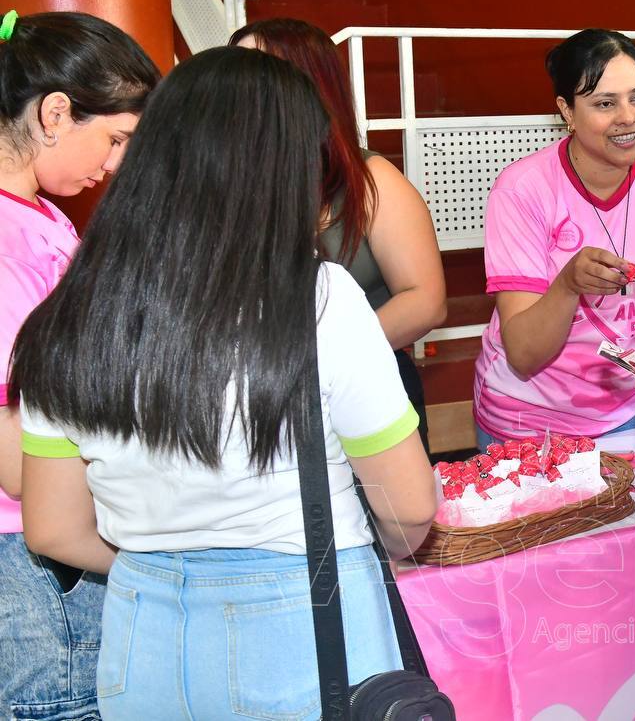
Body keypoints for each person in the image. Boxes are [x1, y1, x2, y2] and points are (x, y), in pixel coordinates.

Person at [12, 47, 436, 719]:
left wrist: (169, 561)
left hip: (141, 641)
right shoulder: (319, 297)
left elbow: (54, 528)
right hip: (307, 629)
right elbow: (410, 506)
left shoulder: (67, 312)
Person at [0, 9, 160, 720]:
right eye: (117, 137)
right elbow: (10, 442)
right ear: (56, 112)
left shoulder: (39, 215)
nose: (118, 162)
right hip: (33, 563)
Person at [472, 28, 635, 447]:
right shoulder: (523, 189)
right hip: (529, 425)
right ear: (566, 109)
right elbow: (525, 355)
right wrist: (568, 285)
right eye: (604, 104)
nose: (628, 117)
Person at [232, 18, 447, 462]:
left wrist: (319, 363)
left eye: (259, 70)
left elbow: (425, 300)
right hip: (264, 405)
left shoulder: (372, 180)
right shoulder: (227, 182)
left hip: (366, 389)